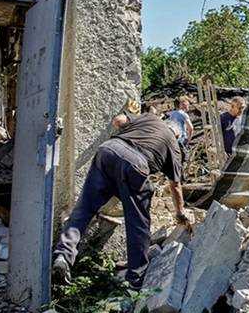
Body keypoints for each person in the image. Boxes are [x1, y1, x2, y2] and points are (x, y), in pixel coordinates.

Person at [52, 108, 190, 289]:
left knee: (85, 208)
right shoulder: (173, 145)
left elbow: (118, 121)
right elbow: (175, 186)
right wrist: (180, 213)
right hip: (136, 165)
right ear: (178, 134)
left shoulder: (149, 118)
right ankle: (136, 277)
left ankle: (63, 254)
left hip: (108, 151)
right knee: (138, 223)